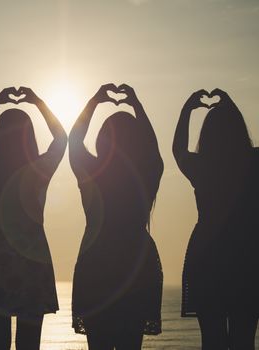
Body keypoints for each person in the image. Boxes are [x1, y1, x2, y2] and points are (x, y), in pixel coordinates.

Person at [0, 87, 67, 350]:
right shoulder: (39, 170)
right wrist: (38, 102)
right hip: (32, 263)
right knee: (29, 345)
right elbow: (61, 138)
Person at [173, 88, 259, 350]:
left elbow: (178, 150)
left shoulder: (202, 167)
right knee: (244, 341)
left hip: (208, 259)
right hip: (248, 259)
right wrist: (231, 107)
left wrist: (187, 110)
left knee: (212, 341)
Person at [70, 84, 164, 350]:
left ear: (102, 141)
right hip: (136, 263)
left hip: (96, 263)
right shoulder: (145, 176)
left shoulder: (91, 173)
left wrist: (94, 102)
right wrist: (136, 105)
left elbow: (74, 141)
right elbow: (153, 151)